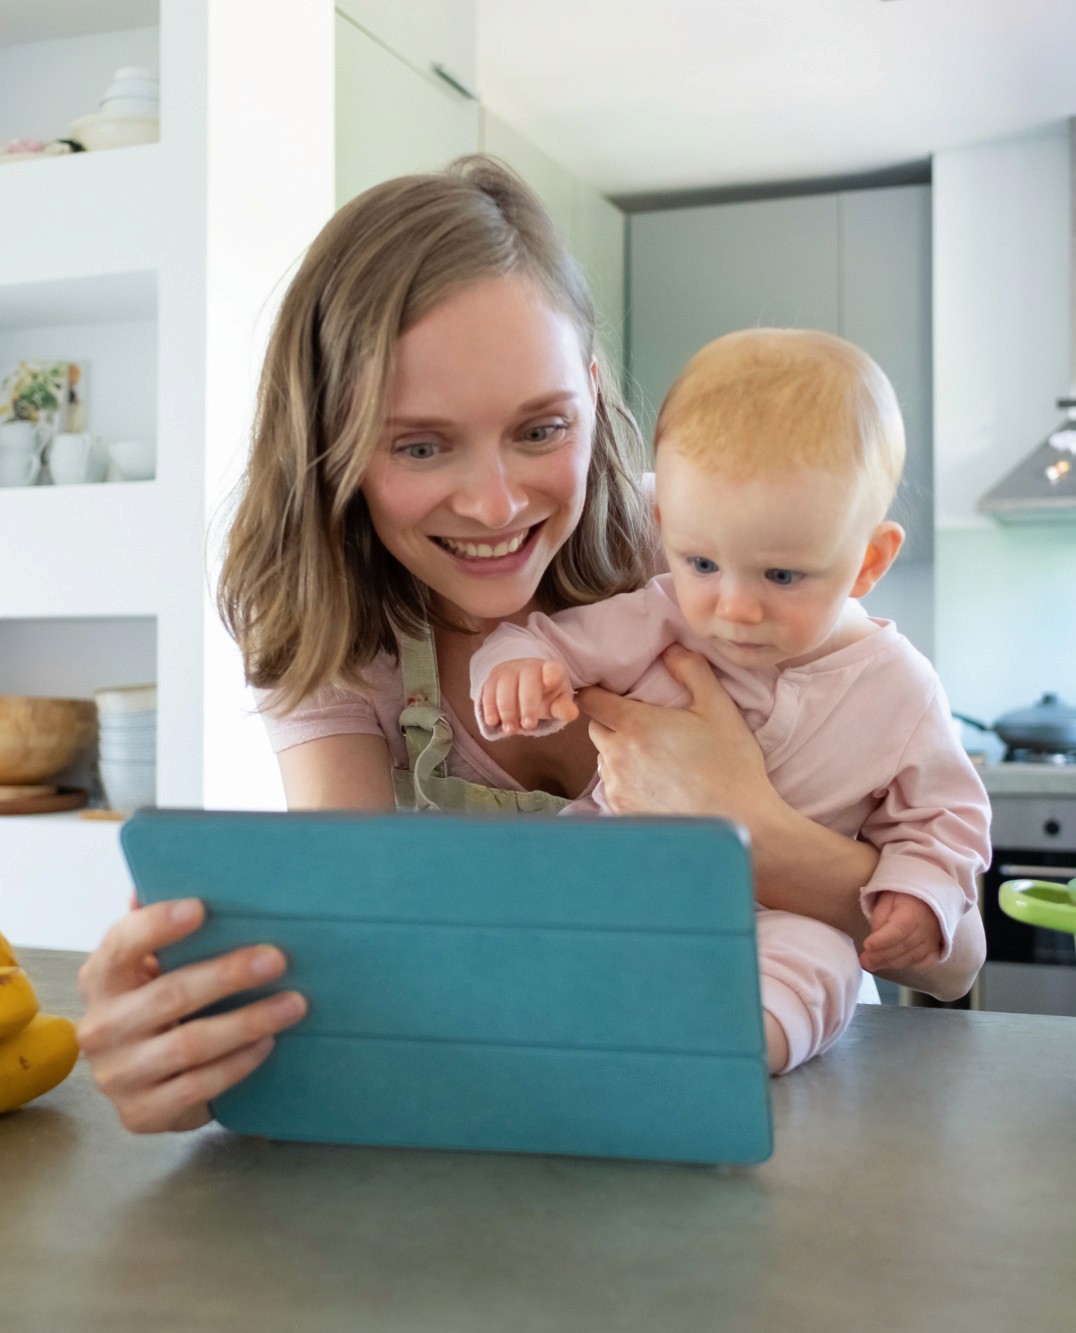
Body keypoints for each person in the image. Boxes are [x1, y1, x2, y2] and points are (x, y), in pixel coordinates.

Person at [75, 157, 986, 1133]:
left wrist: (754, 832)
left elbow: (954, 957)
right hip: (537, 1106)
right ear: (333, 442)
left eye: (539, 427)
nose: (495, 504)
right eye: (419, 445)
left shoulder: (710, 548)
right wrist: (198, 1032)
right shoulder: (349, 644)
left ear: (589, 395)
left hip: (795, 1105)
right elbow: (358, 937)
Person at [473, 329, 989, 1073]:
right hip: (613, 877)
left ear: (868, 561)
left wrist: (923, 895)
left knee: (821, 961)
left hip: (774, 922)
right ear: (665, 531)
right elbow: (544, 640)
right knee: (527, 900)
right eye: (703, 562)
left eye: (782, 576)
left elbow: (947, 823)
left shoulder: (902, 690)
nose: (734, 608)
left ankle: (721, 1061)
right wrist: (521, 667)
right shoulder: (660, 612)